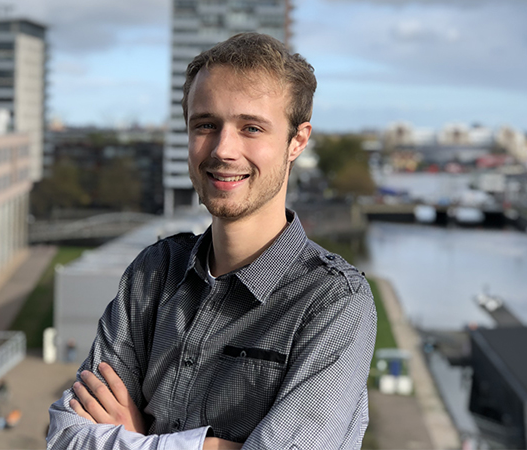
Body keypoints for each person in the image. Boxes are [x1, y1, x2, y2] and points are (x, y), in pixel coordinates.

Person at [47, 32, 377, 450]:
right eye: (205, 125)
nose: (223, 150)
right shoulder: (154, 272)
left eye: (251, 128)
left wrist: (139, 439)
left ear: (297, 141)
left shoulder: (334, 302)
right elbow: (66, 435)